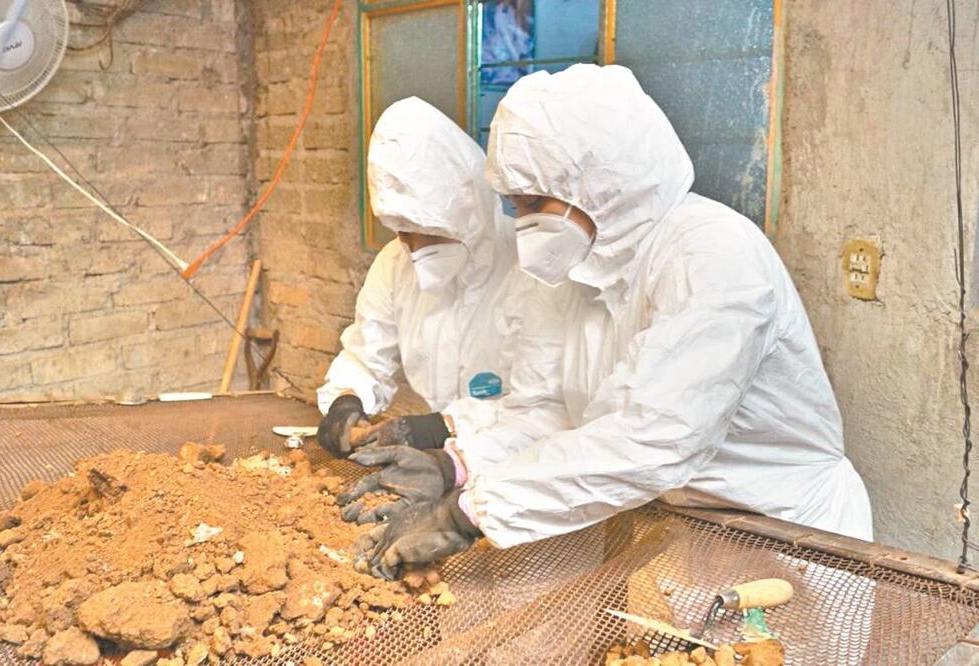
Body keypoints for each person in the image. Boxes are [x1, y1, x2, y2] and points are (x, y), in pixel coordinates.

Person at [351, 64, 874, 580]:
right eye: (516, 207)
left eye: (534, 203)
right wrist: (456, 464)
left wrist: (469, 513)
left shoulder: (712, 257)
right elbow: (549, 412)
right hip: (684, 526)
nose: (525, 225)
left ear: (597, 181)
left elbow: (653, 439)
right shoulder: (576, 270)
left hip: (787, 532)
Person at [316, 97, 547, 501]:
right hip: (440, 470)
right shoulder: (395, 264)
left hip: (525, 475)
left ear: (465, 213)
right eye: (401, 230)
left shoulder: (530, 267)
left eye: (425, 230)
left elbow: (546, 405)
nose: (412, 246)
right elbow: (368, 355)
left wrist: (444, 426)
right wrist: (346, 400)